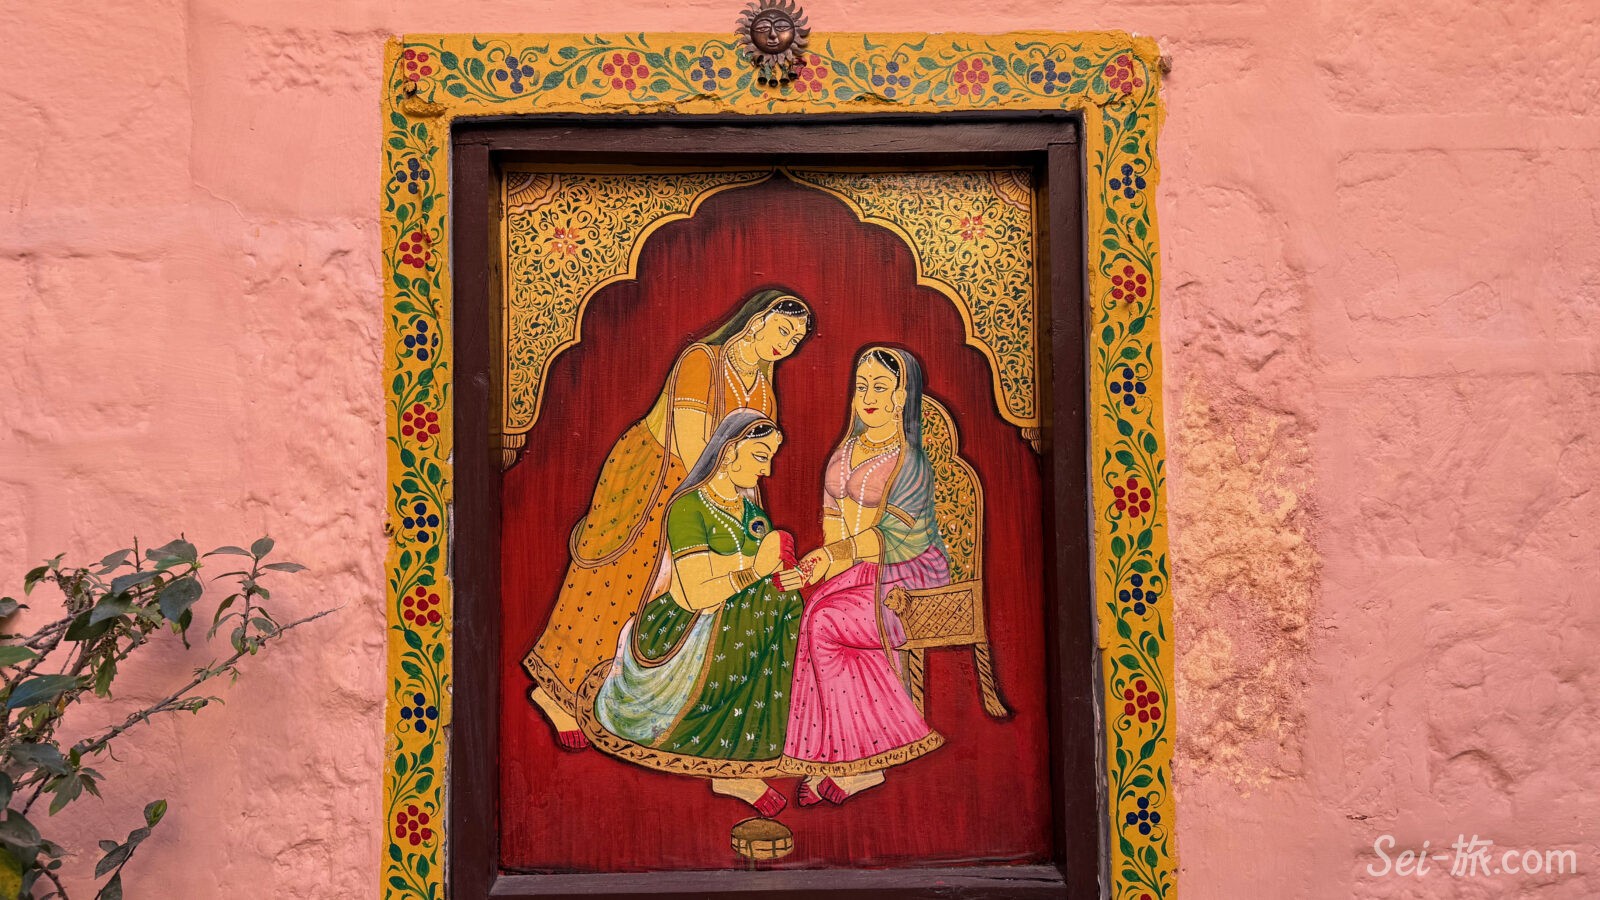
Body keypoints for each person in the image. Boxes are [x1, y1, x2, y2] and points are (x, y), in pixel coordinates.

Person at [522, 290, 812, 749]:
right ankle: (556, 691)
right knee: (618, 581)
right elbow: (693, 445)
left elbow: (750, 463)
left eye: (796, 339)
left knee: (675, 593)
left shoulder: (762, 387)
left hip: (709, 490)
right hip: (656, 474)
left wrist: (749, 527)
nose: (787, 343)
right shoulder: (703, 361)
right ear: (757, 320)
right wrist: (717, 510)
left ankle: (627, 698)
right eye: (784, 329)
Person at [581, 410, 808, 817]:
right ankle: (723, 752)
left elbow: (762, 574)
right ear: (729, 451)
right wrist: (756, 570)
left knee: (787, 602)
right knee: (771, 604)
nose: (767, 470)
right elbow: (697, 593)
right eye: (760, 456)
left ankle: (744, 754)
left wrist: (785, 576)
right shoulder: (689, 509)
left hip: (736, 621)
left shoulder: (751, 513)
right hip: (685, 629)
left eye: (770, 458)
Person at [785, 347, 950, 804]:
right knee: (813, 609)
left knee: (825, 620)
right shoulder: (844, 454)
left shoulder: (911, 463)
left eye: (881, 387)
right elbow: (836, 536)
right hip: (861, 572)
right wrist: (818, 564)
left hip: (910, 575)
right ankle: (839, 758)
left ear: (901, 396)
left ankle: (860, 760)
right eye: (862, 387)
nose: (869, 397)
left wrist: (835, 554)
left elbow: (896, 537)